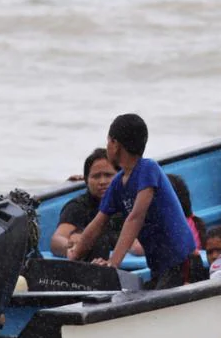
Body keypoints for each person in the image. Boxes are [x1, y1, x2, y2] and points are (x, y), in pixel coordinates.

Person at [68, 114, 197, 289]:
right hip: (158, 265)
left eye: (108, 141)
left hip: (182, 261)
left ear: (115, 144)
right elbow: (97, 224)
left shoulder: (148, 169)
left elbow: (136, 217)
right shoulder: (118, 184)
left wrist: (113, 263)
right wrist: (75, 255)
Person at [50, 148, 139, 260]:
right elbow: (57, 239)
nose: (102, 182)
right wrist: (70, 246)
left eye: (108, 175)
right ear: (86, 180)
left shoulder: (132, 203)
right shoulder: (78, 206)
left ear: (121, 177)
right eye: (96, 176)